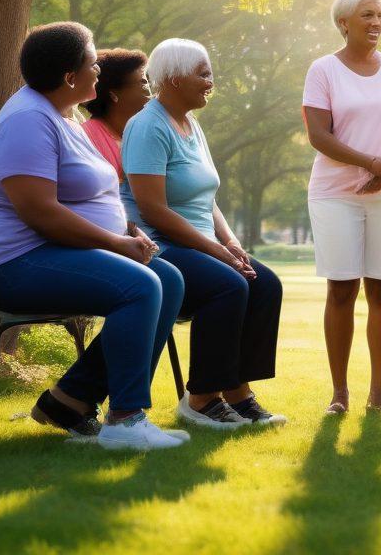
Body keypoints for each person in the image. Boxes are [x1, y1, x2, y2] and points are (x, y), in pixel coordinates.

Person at [0, 22, 188, 451]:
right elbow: (40, 212)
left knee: (171, 279)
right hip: (14, 265)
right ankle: (126, 420)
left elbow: (88, 194)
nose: (98, 72)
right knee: (139, 285)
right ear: (70, 76)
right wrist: (116, 244)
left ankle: (68, 402)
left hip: (54, 253)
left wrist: (128, 230)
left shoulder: (61, 114)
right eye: (93, 64)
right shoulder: (28, 120)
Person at [122, 38, 285, 430]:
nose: (211, 81)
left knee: (265, 284)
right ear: (175, 78)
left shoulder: (192, 126)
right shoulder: (147, 126)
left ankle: (237, 392)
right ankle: (201, 399)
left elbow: (207, 199)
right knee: (229, 285)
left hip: (203, 244)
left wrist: (230, 242)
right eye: (203, 73)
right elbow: (152, 208)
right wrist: (216, 251)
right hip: (161, 246)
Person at [302, 0, 381, 415]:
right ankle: (339, 394)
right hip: (336, 194)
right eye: (367, 15)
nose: (376, 23)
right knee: (341, 290)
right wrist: (371, 162)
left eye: (380, 15)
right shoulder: (323, 70)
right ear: (344, 23)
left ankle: (379, 393)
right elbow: (319, 135)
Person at [81, 48, 150, 179]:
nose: (150, 93)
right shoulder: (86, 137)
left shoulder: (142, 133)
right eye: (143, 83)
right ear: (113, 94)